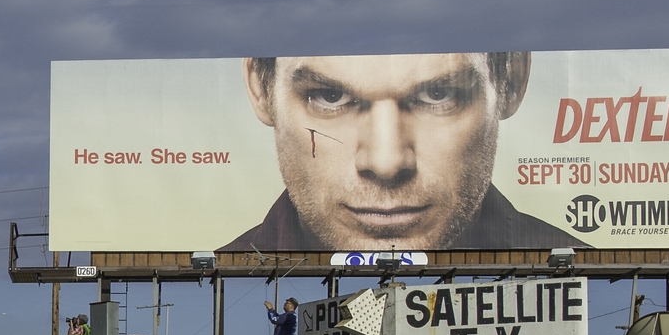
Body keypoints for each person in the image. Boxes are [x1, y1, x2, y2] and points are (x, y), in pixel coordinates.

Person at [221, 53, 577, 253]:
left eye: (440, 95)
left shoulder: (570, 256)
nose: (387, 162)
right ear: (259, 89)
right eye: (330, 97)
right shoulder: (228, 262)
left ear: (511, 80)